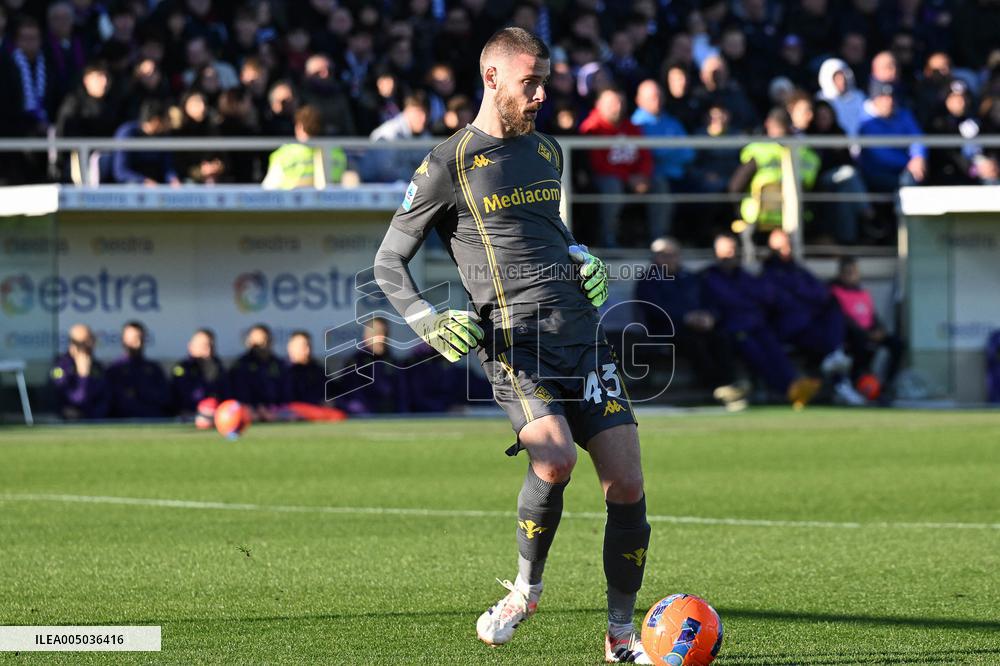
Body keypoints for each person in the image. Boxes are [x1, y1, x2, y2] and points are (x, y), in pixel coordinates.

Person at [373, 28, 653, 663]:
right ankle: (526, 590)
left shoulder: (548, 152)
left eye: (545, 82)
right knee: (554, 459)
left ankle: (620, 637)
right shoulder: (447, 164)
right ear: (492, 78)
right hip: (514, 346)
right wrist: (425, 320)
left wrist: (583, 257)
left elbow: (551, 232)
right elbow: (389, 261)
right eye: (531, 82)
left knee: (628, 485)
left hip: (582, 339)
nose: (541, 94)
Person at [700, 234, 821, 408]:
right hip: (733, 329)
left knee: (775, 350)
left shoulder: (745, 276)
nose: (731, 254)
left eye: (734, 250)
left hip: (757, 324)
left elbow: (766, 296)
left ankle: (795, 384)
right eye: (726, 251)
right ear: (716, 253)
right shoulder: (709, 278)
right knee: (756, 353)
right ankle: (787, 390)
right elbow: (727, 302)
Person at [634, 237, 746, 410]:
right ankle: (715, 389)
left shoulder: (691, 278)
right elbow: (654, 310)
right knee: (695, 343)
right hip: (667, 331)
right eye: (663, 255)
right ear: (654, 258)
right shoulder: (648, 281)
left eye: (672, 254)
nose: (668, 259)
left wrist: (710, 317)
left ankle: (731, 385)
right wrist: (686, 318)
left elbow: (710, 302)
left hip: (699, 327)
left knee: (721, 337)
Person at [760, 230, 866, 405]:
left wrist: (801, 294)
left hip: (811, 323)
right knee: (830, 345)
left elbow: (822, 293)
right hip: (792, 329)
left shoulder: (799, 271)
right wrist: (806, 297)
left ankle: (836, 358)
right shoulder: (768, 275)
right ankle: (840, 375)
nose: (786, 249)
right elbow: (782, 303)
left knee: (834, 307)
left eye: (788, 244)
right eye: (780, 246)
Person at [579, 87, 653, 248]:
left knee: (660, 184)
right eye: (612, 103)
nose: (618, 107)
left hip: (633, 178)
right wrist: (629, 178)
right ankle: (608, 239)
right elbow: (598, 165)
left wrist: (643, 175)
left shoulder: (631, 126)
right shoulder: (591, 128)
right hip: (606, 179)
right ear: (598, 104)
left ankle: (658, 239)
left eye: (621, 102)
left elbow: (645, 155)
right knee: (612, 187)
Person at [728, 108, 820, 235]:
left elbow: (735, 188)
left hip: (757, 223)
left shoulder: (758, 151)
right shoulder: (808, 155)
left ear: (768, 124)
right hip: (797, 223)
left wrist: (738, 213)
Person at [630, 80, 694, 241]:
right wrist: (671, 151)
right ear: (639, 100)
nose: (657, 100)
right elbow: (650, 155)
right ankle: (659, 240)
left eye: (659, 96)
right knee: (661, 187)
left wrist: (664, 153)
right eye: (652, 97)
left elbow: (688, 153)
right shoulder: (635, 125)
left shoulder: (672, 122)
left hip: (680, 174)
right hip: (653, 177)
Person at [829, 257, 905, 392]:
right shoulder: (835, 292)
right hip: (851, 336)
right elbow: (843, 319)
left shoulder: (863, 293)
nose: (852, 275)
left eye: (855, 272)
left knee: (897, 343)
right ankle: (858, 382)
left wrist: (880, 330)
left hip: (869, 332)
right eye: (848, 272)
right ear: (841, 274)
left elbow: (873, 316)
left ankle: (887, 384)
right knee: (860, 342)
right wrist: (867, 334)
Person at [330, 317, 409, 415]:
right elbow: (354, 396)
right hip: (366, 415)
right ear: (366, 336)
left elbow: (402, 393)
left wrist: (403, 414)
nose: (383, 338)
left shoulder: (393, 361)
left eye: (385, 333)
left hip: (392, 414)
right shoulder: (355, 362)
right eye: (378, 334)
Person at [857, 81, 926, 192]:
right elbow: (879, 155)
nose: (889, 101)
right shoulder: (866, 122)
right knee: (905, 182)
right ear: (875, 100)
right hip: (877, 173)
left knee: (913, 177)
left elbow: (917, 138)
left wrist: (918, 157)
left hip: (903, 170)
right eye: (884, 98)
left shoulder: (903, 114)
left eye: (891, 97)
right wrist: (908, 163)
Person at [261, 105, 350, 189]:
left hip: (291, 203)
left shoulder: (284, 154)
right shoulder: (337, 152)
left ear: (300, 127)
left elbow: (267, 190)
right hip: (331, 203)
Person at [362, 91, 431, 183]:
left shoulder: (426, 136)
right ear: (407, 111)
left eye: (426, 113)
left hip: (407, 188)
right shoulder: (389, 133)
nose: (423, 118)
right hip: (373, 186)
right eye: (418, 113)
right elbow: (386, 172)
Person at [106, 320, 171, 418]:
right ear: (123, 340)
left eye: (140, 338)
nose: (137, 343)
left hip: (153, 419)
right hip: (123, 421)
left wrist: (143, 392)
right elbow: (111, 401)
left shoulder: (154, 368)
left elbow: (165, 397)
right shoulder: (114, 369)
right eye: (133, 339)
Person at [111, 99, 180, 186]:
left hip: (158, 187)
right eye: (167, 119)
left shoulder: (164, 136)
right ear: (156, 121)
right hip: (133, 188)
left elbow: (167, 166)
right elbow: (121, 171)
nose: (169, 123)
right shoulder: (127, 133)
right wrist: (143, 181)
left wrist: (173, 179)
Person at [229, 324, 290, 419]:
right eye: (258, 342)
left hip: (276, 410)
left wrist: (275, 408)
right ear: (249, 343)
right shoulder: (241, 365)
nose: (263, 345)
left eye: (266, 340)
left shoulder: (279, 364)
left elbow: (286, 393)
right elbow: (240, 394)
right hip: (250, 410)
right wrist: (256, 407)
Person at [50, 323, 110, 420]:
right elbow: (76, 400)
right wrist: (83, 377)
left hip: (96, 420)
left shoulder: (97, 367)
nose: (90, 344)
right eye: (84, 343)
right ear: (73, 345)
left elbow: (104, 398)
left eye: (91, 339)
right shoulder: (61, 367)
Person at [171, 328, 229, 415]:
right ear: (191, 347)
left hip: (218, 415)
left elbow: (227, 394)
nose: (208, 350)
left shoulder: (218, 367)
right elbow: (183, 398)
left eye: (211, 346)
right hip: (190, 415)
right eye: (204, 346)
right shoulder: (182, 369)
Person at [286, 330, 326, 405]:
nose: (307, 351)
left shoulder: (317, 369)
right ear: (290, 347)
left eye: (309, 346)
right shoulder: (283, 370)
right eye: (303, 347)